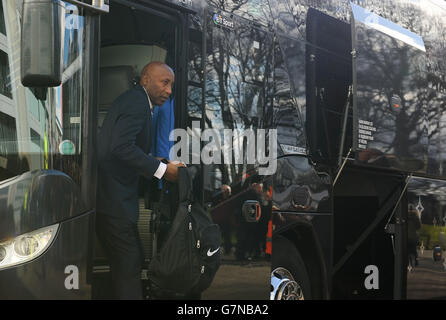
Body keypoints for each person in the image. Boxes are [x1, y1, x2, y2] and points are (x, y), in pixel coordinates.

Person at [96, 61, 184, 299]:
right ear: (146, 79)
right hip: (115, 202)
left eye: (171, 85)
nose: (168, 91)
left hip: (109, 200)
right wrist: (163, 171)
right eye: (164, 82)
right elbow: (120, 148)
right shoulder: (137, 103)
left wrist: (157, 161)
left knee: (128, 262)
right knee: (129, 264)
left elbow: (118, 148)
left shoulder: (134, 100)